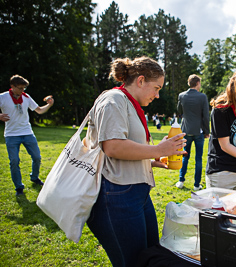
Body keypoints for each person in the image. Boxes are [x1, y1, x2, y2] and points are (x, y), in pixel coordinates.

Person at [86, 56, 186, 267]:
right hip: (116, 196)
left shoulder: (129, 103)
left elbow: (123, 152)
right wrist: (158, 148)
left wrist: (153, 158)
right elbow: (112, 147)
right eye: (156, 88)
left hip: (135, 194)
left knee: (151, 257)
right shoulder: (113, 100)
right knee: (132, 262)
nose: (157, 95)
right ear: (140, 80)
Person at [0, 75, 54, 196]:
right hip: (11, 135)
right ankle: (19, 187)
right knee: (14, 161)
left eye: (24, 88)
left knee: (37, 157)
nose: (22, 91)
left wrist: (49, 105)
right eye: (20, 88)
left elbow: (39, 110)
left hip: (27, 133)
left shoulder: (26, 97)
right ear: (12, 86)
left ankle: (34, 177)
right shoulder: (2, 97)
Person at [175, 74, 210, 191]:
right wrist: (207, 131)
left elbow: (179, 110)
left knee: (185, 156)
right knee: (198, 158)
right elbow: (206, 115)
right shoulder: (202, 97)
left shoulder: (182, 95)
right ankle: (196, 184)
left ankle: (181, 180)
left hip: (185, 129)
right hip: (198, 131)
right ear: (198, 83)